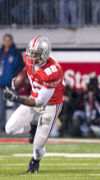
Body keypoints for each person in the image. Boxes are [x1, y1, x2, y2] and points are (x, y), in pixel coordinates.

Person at [3, 35, 65, 173]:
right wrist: (20, 78)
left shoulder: (53, 71)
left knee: (38, 147)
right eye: (31, 52)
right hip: (34, 97)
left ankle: (35, 161)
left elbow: (40, 102)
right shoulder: (28, 57)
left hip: (50, 105)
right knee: (10, 129)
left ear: (45, 54)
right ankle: (32, 128)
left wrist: (15, 98)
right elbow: (29, 69)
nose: (32, 56)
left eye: (36, 54)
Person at [0, 34, 23, 132]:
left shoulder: (16, 53)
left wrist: (16, 77)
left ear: (12, 41)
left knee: (15, 106)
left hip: (13, 84)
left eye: (9, 40)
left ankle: (16, 127)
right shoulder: (0, 53)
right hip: (1, 84)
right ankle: (1, 128)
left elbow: (21, 66)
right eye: (5, 40)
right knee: (1, 107)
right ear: (3, 41)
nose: (7, 42)